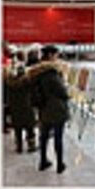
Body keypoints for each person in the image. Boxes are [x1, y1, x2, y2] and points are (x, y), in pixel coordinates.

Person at [31, 44, 70, 173]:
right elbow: (62, 92)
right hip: (56, 109)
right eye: (56, 55)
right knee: (58, 138)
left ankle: (43, 161)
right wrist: (66, 93)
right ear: (50, 55)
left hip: (43, 108)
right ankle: (60, 164)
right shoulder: (51, 73)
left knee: (44, 136)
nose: (57, 57)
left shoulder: (38, 71)